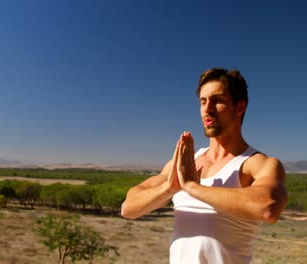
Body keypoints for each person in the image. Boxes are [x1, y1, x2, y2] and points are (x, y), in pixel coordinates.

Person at [121, 68, 288, 263]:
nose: (207, 108)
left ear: (239, 107)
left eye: (217, 100)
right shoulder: (187, 162)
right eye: (203, 101)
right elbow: (128, 208)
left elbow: (268, 207)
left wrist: (192, 187)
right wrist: (170, 187)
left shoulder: (255, 163)